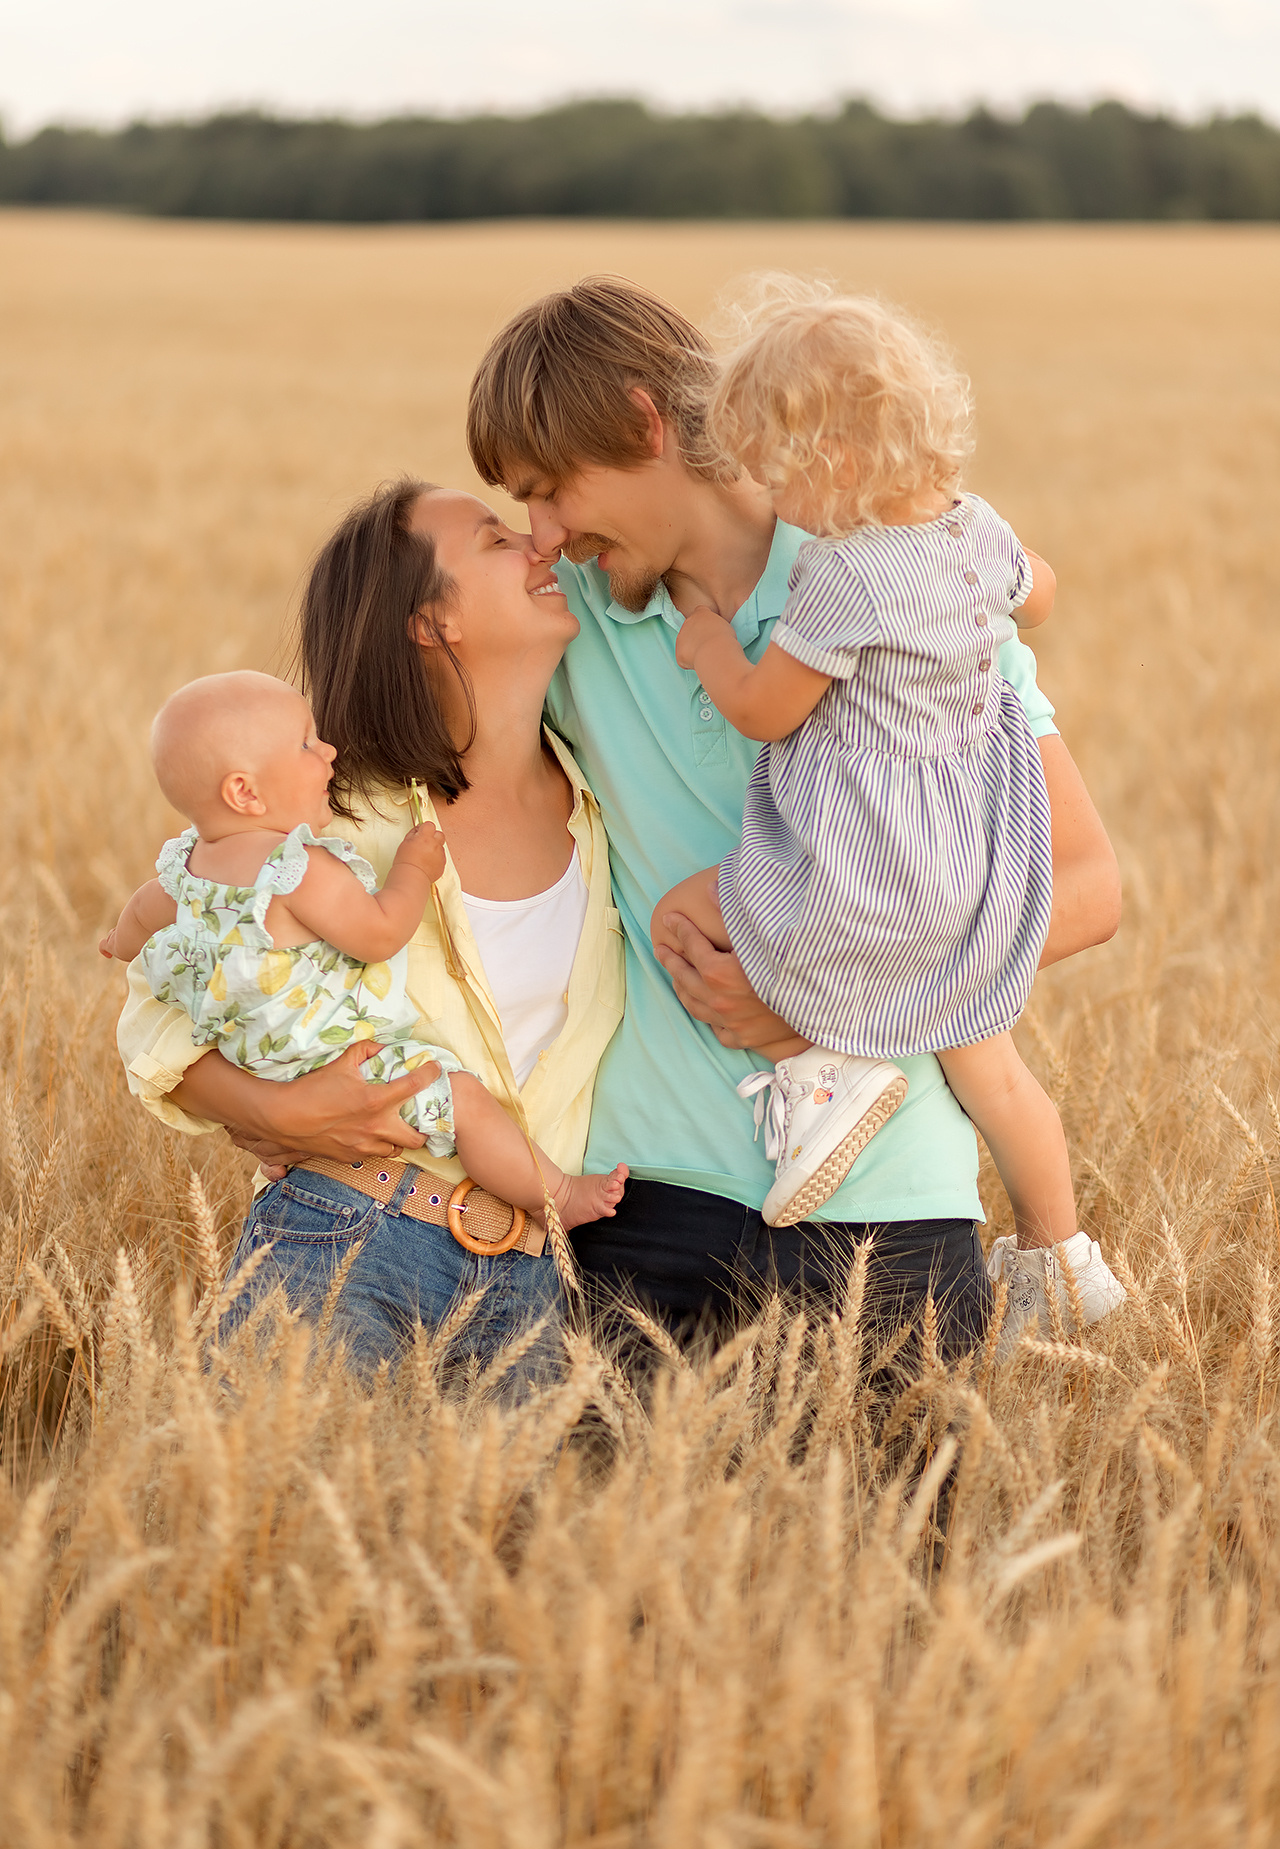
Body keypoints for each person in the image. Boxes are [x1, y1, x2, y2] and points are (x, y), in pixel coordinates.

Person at [466, 274, 1122, 1356]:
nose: (536, 538)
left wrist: (834, 991)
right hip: (641, 1196)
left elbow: (1088, 890)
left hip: (891, 1207)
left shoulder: (915, 595)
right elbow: (386, 755)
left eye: (550, 490)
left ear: (641, 421)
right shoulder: (562, 623)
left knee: (890, 1535)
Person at [651, 282, 1124, 1336]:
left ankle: (824, 1072)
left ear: (835, 462)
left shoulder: (840, 575)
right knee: (990, 1069)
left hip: (864, 869)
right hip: (972, 855)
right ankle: (1062, 1254)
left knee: (684, 911)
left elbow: (768, 713)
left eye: (780, 475)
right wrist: (1007, 586)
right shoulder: (975, 531)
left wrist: (709, 646)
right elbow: (1035, 591)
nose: (776, 506)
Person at [113, 481, 625, 1379]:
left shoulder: (612, 814)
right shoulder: (332, 830)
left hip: (536, 1284)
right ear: (431, 620)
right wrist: (273, 1109)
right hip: (346, 1237)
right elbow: (160, 1020)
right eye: (498, 539)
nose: (542, 545)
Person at [103, 670, 626, 1231]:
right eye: (306, 743)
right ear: (245, 792)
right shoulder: (296, 870)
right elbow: (379, 932)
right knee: (464, 1102)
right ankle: (559, 1194)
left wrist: (115, 942)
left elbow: (135, 923)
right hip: (346, 1075)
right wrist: (412, 869)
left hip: (266, 1073)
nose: (327, 749)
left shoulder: (180, 877)